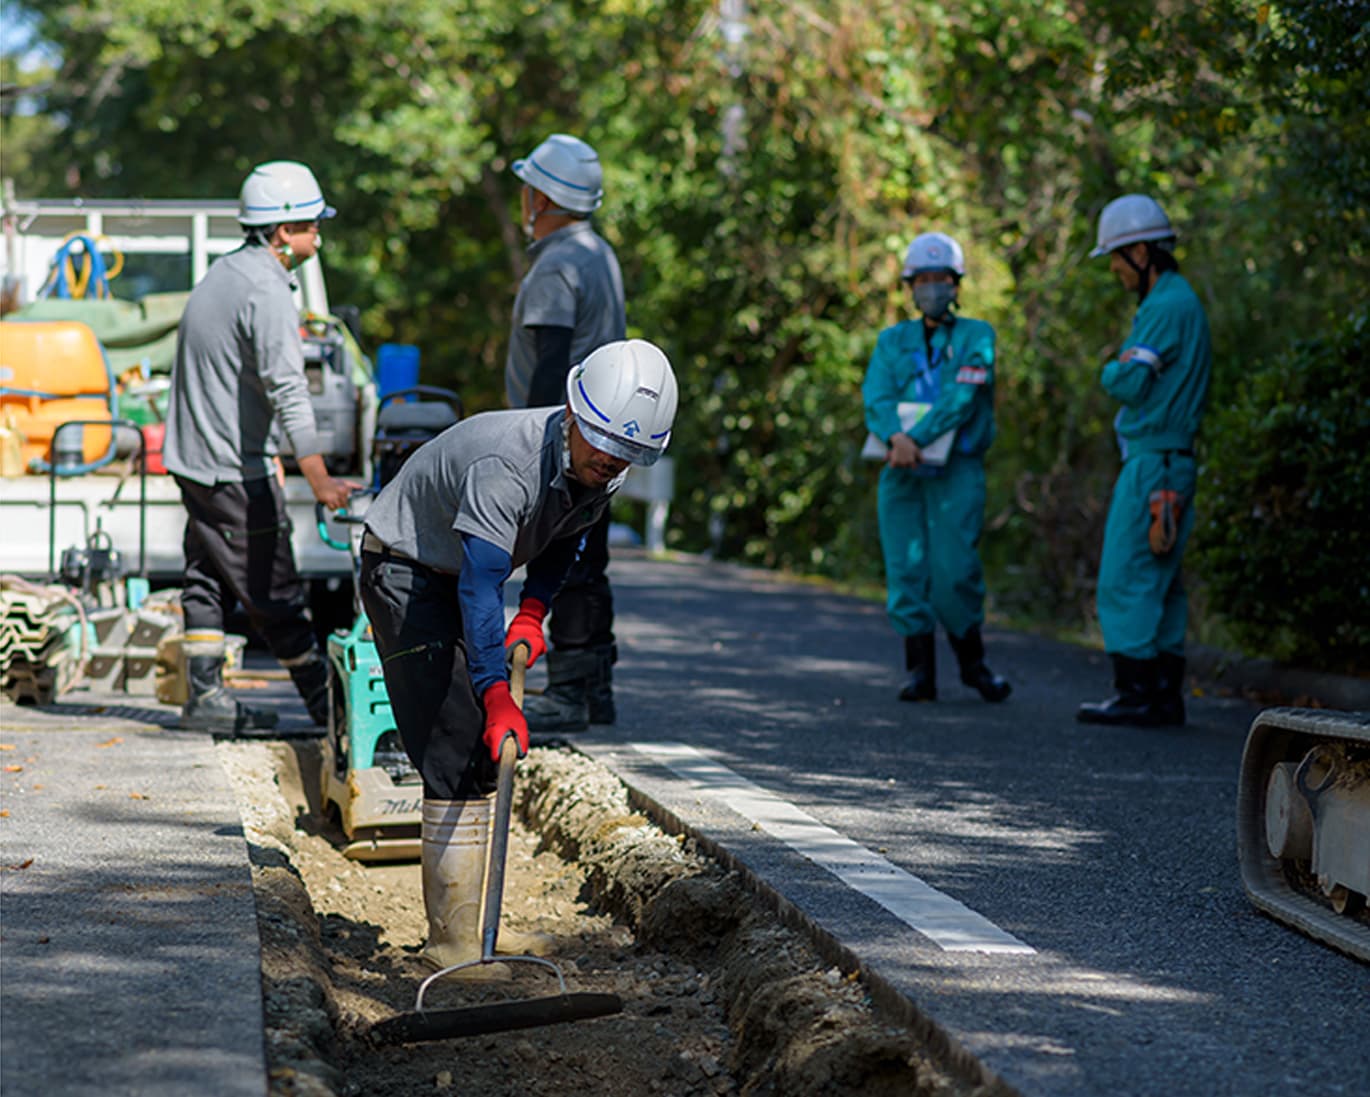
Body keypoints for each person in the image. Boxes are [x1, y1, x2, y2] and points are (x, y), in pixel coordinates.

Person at [358, 339, 677, 973]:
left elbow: (564, 540)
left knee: (479, 751)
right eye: (604, 445)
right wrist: (494, 690)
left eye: (628, 456)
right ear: (572, 413)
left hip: (455, 570)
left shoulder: (599, 465)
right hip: (407, 567)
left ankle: (477, 932)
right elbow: (478, 584)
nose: (611, 461)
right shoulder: (508, 464)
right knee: (453, 741)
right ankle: (450, 948)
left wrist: (533, 613)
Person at [163, 160, 360, 734]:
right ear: (281, 233)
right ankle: (334, 716)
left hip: (195, 459)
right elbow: (289, 390)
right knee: (274, 592)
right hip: (228, 469)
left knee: (205, 574)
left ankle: (205, 699)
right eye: (310, 226)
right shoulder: (268, 291)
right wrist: (320, 480)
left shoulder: (225, 274)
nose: (317, 236)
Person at [504, 133, 627, 734]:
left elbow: (551, 363)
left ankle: (571, 694)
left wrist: (532, 442)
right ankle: (596, 687)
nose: (523, 200)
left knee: (562, 558)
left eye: (528, 189)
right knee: (589, 554)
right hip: (609, 431)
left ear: (544, 197)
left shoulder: (556, 265)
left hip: (568, 437)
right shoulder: (600, 254)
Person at [1077, 195, 1211, 727]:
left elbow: (1129, 381)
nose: (1112, 268)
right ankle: (1164, 696)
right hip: (1171, 460)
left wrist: (1110, 369)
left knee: (1126, 575)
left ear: (1139, 251)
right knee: (1162, 581)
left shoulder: (1164, 307)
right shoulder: (1176, 300)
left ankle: (1135, 694)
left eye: (1114, 256)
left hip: (1154, 464)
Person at [862, 232, 1012, 705]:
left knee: (954, 571)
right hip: (900, 468)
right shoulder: (892, 341)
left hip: (956, 470)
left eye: (940, 278)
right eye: (922, 279)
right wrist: (895, 438)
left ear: (956, 283)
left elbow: (961, 399)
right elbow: (876, 395)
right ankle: (919, 672)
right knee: (905, 571)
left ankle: (974, 666)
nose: (931, 287)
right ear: (910, 285)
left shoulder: (977, 337)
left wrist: (914, 439)